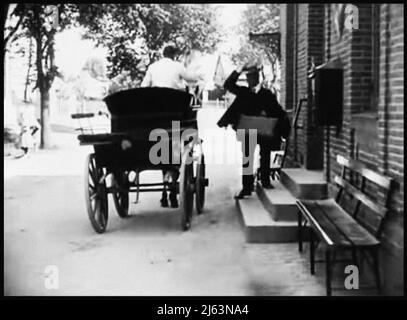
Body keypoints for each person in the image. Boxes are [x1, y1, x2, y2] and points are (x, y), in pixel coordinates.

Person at [141, 45, 204, 208]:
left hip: (156, 112)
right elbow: (191, 79)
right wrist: (198, 76)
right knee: (191, 109)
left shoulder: (153, 67)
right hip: (174, 110)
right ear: (175, 55)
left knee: (167, 146)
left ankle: (165, 190)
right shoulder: (177, 66)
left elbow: (143, 86)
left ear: (163, 54)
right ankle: (191, 133)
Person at [217, 62, 290, 199]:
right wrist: (238, 70)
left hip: (264, 129)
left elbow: (277, 111)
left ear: (257, 77)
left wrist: (281, 124)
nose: (250, 79)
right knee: (247, 158)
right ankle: (246, 187)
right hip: (248, 129)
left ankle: (266, 182)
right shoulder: (243, 92)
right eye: (248, 76)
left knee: (265, 155)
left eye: (252, 76)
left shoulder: (267, 94)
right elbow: (228, 84)